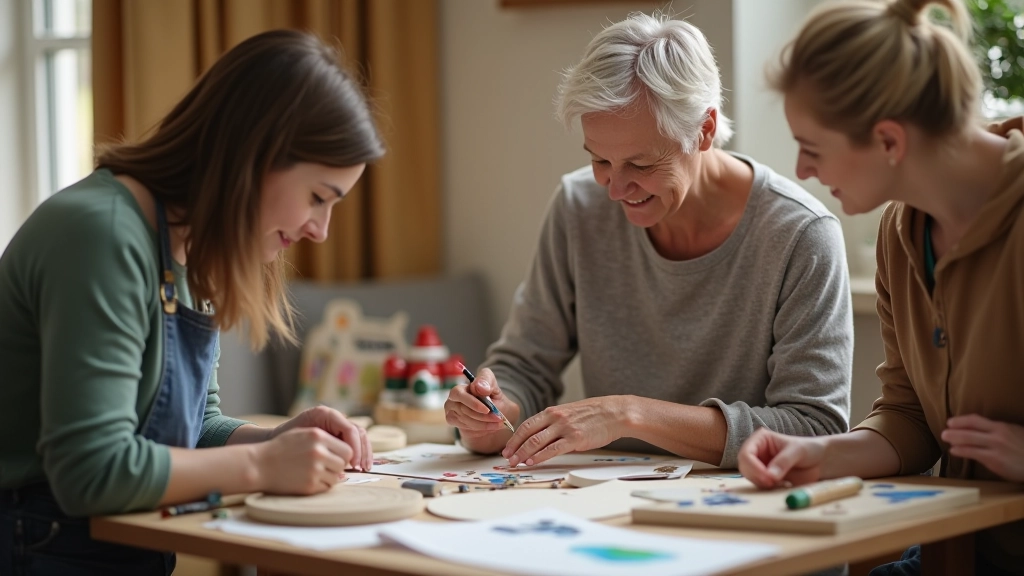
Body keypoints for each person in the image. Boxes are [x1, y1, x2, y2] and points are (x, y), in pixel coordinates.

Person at [0, 30, 384, 575]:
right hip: (37, 543)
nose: (320, 230)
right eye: (318, 197)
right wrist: (262, 463)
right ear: (254, 156)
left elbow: (191, 429)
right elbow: (91, 473)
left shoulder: (186, 245)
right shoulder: (102, 236)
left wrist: (279, 438)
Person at [444, 12, 854, 471]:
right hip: (606, 504)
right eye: (600, 160)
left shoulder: (801, 234)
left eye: (641, 165)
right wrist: (491, 415)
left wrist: (629, 415)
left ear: (703, 130)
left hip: (744, 508)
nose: (615, 190)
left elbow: (816, 427)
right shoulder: (579, 207)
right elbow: (524, 370)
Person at [735, 0, 1024, 573]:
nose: (803, 170)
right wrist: (819, 453)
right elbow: (911, 416)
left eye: (813, 149)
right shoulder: (901, 232)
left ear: (889, 141)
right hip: (964, 552)